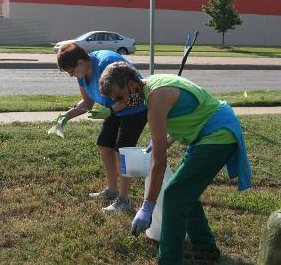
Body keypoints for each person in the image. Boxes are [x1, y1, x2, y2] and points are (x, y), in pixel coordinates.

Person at [98, 62, 251, 264]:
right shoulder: (151, 87)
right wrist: (166, 140)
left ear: (132, 83)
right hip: (205, 133)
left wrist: (147, 207)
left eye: (119, 97)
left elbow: (160, 163)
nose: (119, 103)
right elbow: (185, 111)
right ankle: (206, 249)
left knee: (174, 194)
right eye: (113, 100)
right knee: (185, 192)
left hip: (218, 134)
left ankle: (168, 260)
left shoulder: (155, 98)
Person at [55, 43, 147, 212]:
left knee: (122, 151)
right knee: (104, 144)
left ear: (81, 62)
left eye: (71, 71)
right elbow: (88, 103)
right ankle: (112, 191)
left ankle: (123, 200)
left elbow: (133, 92)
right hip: (113, 109)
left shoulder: (107, 63)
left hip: (135, 108)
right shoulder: (81, 75)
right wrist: (66, 116)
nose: (71, 75)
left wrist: (110, 110)